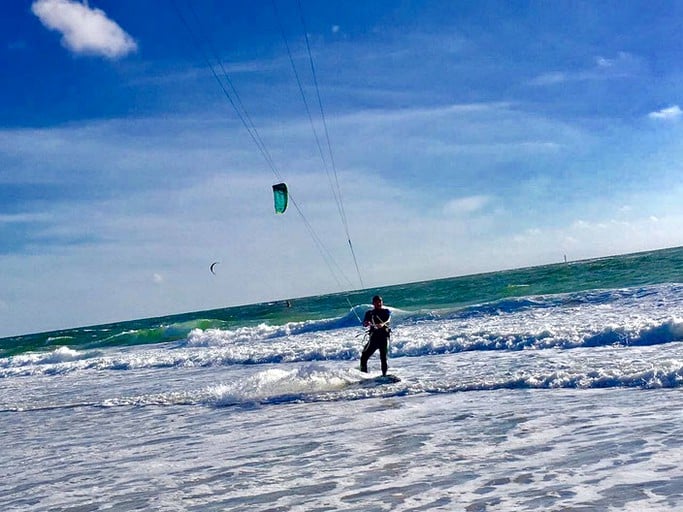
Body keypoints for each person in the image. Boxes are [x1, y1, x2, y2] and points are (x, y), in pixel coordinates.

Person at [360, 295, 391, 376]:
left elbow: (388, 320)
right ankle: (364, 375)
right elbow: (364, 323)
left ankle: (384, 375)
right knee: (364, 356)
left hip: (384, 337)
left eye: (380, 302)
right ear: (373, 303)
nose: (379, 303)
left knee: (383, 358)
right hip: (374, 338)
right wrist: (366, 323)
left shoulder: (386, 311)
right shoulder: (369, 313)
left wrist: (382, 324)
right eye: (377, 302)